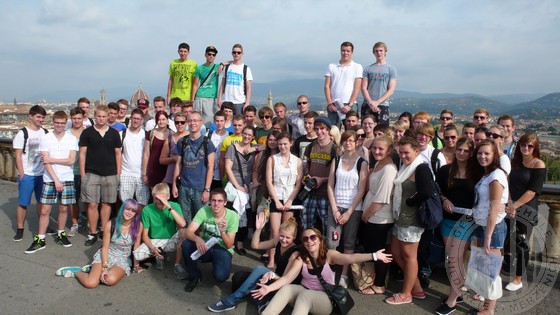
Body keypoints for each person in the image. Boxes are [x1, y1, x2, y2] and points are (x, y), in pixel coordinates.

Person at [252, 228, 392, 314]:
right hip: (304, 296)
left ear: (320, 240)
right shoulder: (302, 258)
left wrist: (374, 256)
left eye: (313, 237)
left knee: (305, 295)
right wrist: (268, 289)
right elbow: (287, 279)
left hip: (324, 300)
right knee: (287, 288)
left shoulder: (329, 255)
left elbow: (350, 257)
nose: (309, 241)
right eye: (305, 239)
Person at [208, 214, 300, 313]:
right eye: (282, 236)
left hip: (284, 287)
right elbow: (255, 245)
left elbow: (286, 279)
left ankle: (231, 300)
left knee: (259, 270)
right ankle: (261, 303)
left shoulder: (295, 254)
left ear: (294, 237)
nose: (284, 240)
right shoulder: (278, 241)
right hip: (272, 278)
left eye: (287, 238)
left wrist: (272, 275)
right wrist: (258, 229)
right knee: (238, 277)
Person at [385, 136, 432, 305]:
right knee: (397, 253)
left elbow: (427, 191)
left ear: (416, 151)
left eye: (407, 153)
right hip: (401, 217)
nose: (403, 156)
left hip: (412, 219)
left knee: (409, 256)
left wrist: (410, 202)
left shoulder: (421, 168)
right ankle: (417, 288)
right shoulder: (405, 166)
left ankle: (406, 294)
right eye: (401, 152)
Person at [435, 137, 478, 315]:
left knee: (454, 260)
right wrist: (444, 200)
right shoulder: (446, 170)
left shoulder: (477, 173)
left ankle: (452, 301)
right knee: (453, 259)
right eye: (459, 149)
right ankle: (458, 292)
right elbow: (437, 190)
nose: (461, 153)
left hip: (467, 222)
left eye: (466, 150)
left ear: (471, 153)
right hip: (447, 219)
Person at [55, 199, 143, 287]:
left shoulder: (138, 226)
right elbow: (105, 247)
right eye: (127, 209)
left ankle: (93, 270)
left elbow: (136, 247)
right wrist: (104, 267)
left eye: (133, 211)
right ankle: (76, 272)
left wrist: (136, 265)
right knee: (91, 283)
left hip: (123, 259)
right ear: (122, 209)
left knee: (109, 280)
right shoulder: (111, 224)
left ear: (136, 213)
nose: (129, 213)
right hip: (107, 255)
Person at [25, 111, 78, 253]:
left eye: (62, 123)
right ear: (53, 122)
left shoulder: (71, 139)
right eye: (57, 123)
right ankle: (40, 238)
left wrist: (52, 159)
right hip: (50, 179)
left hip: (67, 178)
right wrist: (56, 180)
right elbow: (45, 162)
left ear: (66, 123)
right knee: (45, 210)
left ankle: (61, 233)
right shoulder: (46, 138)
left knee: (63, 208)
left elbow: (71, 160)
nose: (59, 125)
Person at [470, 139, 509, 314]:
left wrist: (487, 237)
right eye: (480, 153)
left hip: (491, 228)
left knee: (490, 270)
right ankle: (486, 304)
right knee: (483, 268)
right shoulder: (486, 174)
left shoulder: (496, 176)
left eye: (487, 153)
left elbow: (494, 207)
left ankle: (489, 308)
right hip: (482, 225)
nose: (482, 156)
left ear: (494, 155)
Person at [503, 133, 546, 292]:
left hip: (526, 209)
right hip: (510, 205)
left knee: (522, 244)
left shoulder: (538, 164)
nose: (526, 148)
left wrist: (514, 206)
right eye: (523, 145)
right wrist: (509, 203)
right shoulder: (515, 162)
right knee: (504, 239)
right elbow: (506, 182)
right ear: (519, 145)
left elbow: (532, 191)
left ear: (535, 148)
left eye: (530, 146)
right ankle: (502, 268)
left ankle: (518, 279)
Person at [326, 130, 368, 287]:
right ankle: (329, 272)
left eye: (351, 140)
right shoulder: (336, 160)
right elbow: (330, 185)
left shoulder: (361, 163)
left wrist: (349, 212)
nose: (348, 143)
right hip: (336, 207)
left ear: (356, 142)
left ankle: (344, 275)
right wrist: (335, 209)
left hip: (353, 209)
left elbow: (361, 190)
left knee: (349, 243)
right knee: (332, 242)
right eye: (345, 140)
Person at [79, 105, 122, 246]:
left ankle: (104, 230)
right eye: (99, 116)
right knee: (92, 204)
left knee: (107, 204)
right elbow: (82, 154)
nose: (101, 119)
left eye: (104, 116)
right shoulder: (87, 133)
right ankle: (92, 232)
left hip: (110, 174)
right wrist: (83, 174)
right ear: (95, 116)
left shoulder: (114, 134)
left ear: (108, 116)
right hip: (91, 173)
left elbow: (118, 154)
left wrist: (118, 174)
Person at [182, 188, 239, 292]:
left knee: (220, 277)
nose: (216, 204)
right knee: (186, 244)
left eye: (220, 201)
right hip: (206, 245)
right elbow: (188, 232)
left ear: (225, 202)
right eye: (213, 200)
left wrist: (222, 232)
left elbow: (229, 245)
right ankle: (195, 276)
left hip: (222, 249)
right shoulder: (204, 210)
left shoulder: (233, 216)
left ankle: (218, 264)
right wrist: (197, 238)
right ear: (209, 201)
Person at [361, 135, 398, 294]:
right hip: (373, 216)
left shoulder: (389, 169)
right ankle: (376, 280)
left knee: (379, 252)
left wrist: (366, 215)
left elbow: (382, 199)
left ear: (389, 150)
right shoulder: (378, 164)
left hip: (379, 217)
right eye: (374, 148)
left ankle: (380, 284)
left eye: (380, 149)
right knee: (374, 249)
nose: (376, 151)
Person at [133, 183, 188, 277]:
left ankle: (177, 264)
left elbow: (182, 223)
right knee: (137, 255)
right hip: (155, 241)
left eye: (162, 198)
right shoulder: (147, 209)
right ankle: (158, 256)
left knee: (183, 231)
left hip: (171, 239)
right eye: (156, 198)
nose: (159, 201)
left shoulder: (174, 205)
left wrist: (168, 206)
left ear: (168, 196)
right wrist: (152, 248)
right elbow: (145, 235)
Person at [266, 133, 303, 268]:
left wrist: (290, 201)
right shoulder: (272, 159)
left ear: (291, 143)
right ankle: (271, 260)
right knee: (275, 232)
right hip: (276, 196)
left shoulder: (297, 161)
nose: (282, 146)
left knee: (287, 233)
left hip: (290, 198)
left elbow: (298, 183)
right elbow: (269, 181)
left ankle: (284, 259)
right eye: (280, 144)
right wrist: (276, 200)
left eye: (285, 144)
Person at [13, 105, 49, 242]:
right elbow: (17, 155)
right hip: (27, 173)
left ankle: (42, 225)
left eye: (42, 117)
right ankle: (20, 228)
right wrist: (22, 173)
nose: (41, 120)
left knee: (42, 202)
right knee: (23, 202)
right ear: (31, 116)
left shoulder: (44, 132)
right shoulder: (22, 133)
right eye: (38, 117)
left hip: (41, 174)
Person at [173, 111, 215, 223]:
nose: (193, 123)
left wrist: (207, 189)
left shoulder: (207, 143)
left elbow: (211, 167)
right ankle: (187, 240)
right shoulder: (182, 141)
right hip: (184, 187)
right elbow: (179, 164)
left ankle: (199, 241)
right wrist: (174, 185)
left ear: (201, 122)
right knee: (184, 220)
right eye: (190, 120)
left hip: (200, 188)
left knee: (201, 221)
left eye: (195, 120)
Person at [301, 117, 338, 235]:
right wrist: (306, 175)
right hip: (310, 191)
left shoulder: (335, 149)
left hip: (326, 193)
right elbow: (307, 163)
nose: (319, 132)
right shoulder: (310, 147)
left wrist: (323, 180)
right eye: (316, 129)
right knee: (306, 223)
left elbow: (337, 174)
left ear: (328, 130)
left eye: (322, 129)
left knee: (327, 226)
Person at [225, 126, 257, 255]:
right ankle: (232, 242)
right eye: (245, 134)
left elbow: (266, 146)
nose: (247, 136)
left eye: (250, 135)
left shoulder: (254, 148)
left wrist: (251, 148)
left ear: (253, 137)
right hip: (235, 186)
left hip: (248, 186)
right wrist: (238, 186)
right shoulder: (232, 148)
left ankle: (240, 242)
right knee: (234, 216)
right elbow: (228, 168)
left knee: (247, 215)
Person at [324, 41, 363, 127]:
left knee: (351, 131)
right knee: (333, 131)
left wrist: (350, 104)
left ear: (352, 52)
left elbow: (357, 87)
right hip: (334, 104)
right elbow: (327, 86)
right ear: (340, 51)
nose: (345, 53)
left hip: (350, 104)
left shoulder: (357, 66)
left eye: (348, 51)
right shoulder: (331, 66)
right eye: (343, 50)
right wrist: (329, 103)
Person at [361, 41, 398, 126]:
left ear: (385, 52)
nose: (379, 53)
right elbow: (363, 88)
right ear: (373, 52)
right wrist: (370, 102)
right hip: (367, 104)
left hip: (382, 104)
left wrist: (377, 102)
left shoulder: (391, 69)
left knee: (382, 131)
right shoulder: (368, 69)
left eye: (381, 50)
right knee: (366, 130)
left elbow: (391, 89)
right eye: (376, 51)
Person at [118, 109, 150, 207]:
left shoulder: (146, 135)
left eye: (138, 119)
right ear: (130, 118)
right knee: (126, 204)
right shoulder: (122, 134)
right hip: (126, 174)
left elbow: (147, 154)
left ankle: (138, 222)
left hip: (141, 175)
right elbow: (118, 154)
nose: (135, 121)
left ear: (142, 120)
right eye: (134, 118)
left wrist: (146, 174)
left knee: (142, 203)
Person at [159, 112, 189, 201]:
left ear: (186, 123)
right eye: (177, 122)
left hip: (185, 177)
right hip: (170, 177)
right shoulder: (170, 138)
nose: (179, 124)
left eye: (182, 122)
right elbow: (161, 160)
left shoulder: (190, 137)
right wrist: (174, 159)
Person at [66, 107, 86, 236]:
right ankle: (75, 223)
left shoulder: (89, 132)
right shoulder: (67, 134)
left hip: (86, 171)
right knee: (73, 199)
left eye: (79, 118)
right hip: (70, 172)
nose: (77, 121)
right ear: (71, 119)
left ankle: (89, 222)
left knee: (89, 200)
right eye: (74, 118)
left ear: (83, 118)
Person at [218, 43, 253, 114]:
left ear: (242, 54)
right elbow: (222, 84)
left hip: (239, 101)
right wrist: (219, 98)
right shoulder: (227, 67)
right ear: (232, 53)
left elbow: (249, 87)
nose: (236, 54)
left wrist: (247, 102)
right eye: (234, 52)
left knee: (238, 123)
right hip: (227, 100)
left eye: (238, 52)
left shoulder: (246, 69)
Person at [142, 111, 171, 192]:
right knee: (155, 196)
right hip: (153, 169)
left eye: (163, 119)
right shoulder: (150, 134)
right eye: (159, 119)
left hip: (167, 170)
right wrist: (144, 173)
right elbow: (146, 154)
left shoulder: (172, 134)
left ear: (167, 120)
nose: (161, 122)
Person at [192, 46, 220, 126]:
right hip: (200, 96)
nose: (211, 56)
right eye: (209, 54)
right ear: (205, 55)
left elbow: (232, 62)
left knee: (209, 120)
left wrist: (222, 64)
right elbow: (195, 84)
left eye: (213, 55)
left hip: (211, 97)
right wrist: (192, 99)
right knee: (197, 119)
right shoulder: (200, 68)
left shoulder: (217, 67)